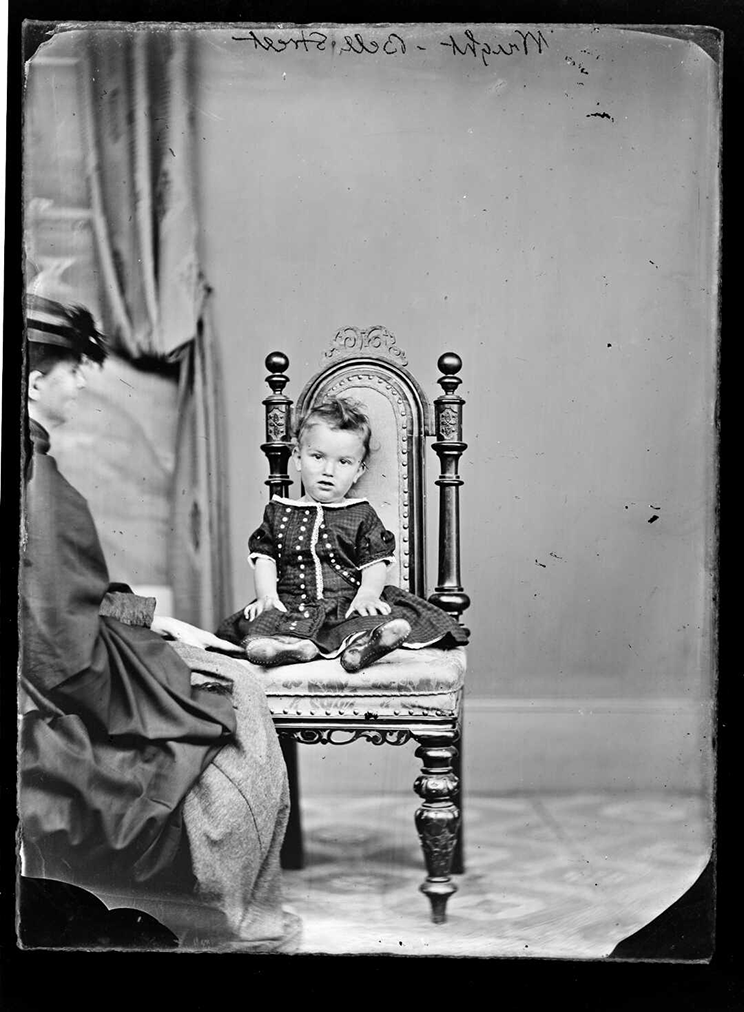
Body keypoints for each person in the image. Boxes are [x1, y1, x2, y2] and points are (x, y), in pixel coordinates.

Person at [19, 293, 300, 951]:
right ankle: (241, 921)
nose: (83, 382)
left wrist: (158, 621)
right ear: (35, 381)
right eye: (74, 370)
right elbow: (65, 656)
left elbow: (65, 597)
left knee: (216, 667)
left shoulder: (32, 471)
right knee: (236, 693)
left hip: (62, 658)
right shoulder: (38, 486)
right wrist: (162, 662)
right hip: (54, 689)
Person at [217, 396, 469, 670]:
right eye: (317, 457)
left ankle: (364, 646)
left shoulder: (361, 514)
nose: (328, 471)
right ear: (298, 458)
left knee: (366, 619)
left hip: (344, 604)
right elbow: (265, 558)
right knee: (261, 621)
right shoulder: (278, 512)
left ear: (359, 470)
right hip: (291, 604)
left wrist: (368, 594)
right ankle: (289, 648)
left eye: (344, 462)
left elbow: (376, 561)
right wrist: (267, 595)